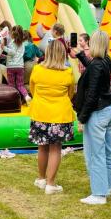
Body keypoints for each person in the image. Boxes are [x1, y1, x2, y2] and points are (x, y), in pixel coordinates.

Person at [73, 30, 111, 205]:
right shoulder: (106, 61)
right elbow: (94, 70)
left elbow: (92, 94)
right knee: (109, 148)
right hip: (108, 108)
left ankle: (99, 193)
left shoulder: (97, 64)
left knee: (96, 153)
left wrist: (82, 117)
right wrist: (80, 55)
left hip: (98, 111)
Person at [28, 39, 76, 194]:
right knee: (55, 148)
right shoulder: (68, 72)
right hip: (60, 115)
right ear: (63, 54)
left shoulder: (37, 69)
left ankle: (42, 179)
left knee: (42, 146)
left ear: (47, 53)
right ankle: (50, 184)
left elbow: (33, 90)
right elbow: (70, 94)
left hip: (40, 112)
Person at [4, 24, 31, 105]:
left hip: (11, 67)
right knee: (20, 85)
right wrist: (5, 56)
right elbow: (16, 54)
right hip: (20, 67)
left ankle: (13, 101)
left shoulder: (12, 43)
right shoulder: (22, 44)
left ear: (12, 34)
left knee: (11, 85)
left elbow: (12, 53)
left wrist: (3, 47)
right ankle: (26, 96)